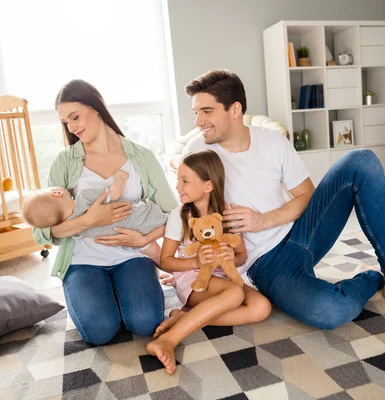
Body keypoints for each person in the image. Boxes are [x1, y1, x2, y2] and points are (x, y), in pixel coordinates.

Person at [182, 69, 385, 331]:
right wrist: (183, 264)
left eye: (206, 111)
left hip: (302, 232)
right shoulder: (196, 152)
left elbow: (306, 195)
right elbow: (191, 220)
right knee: (329, 310)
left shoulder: (272, 141)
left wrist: (263, 220)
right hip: (265, 263)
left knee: (361, 161)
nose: (198, 122)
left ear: (235, 109)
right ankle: (377, 276)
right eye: (196, 112)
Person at [32, 79, 177, 345]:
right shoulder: (65, 162)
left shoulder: (141, 157)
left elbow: (174, 214)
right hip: (82, 261)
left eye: (75, 117)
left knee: (145, 323)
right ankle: (105, 297)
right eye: (66, 122)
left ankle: (121, 294)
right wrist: (88, 220)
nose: (72, 127)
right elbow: (41, 231)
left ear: (96, 107)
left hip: (132, 256)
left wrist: (144, 240)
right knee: (99, 331)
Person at [146, 150, 271, 374]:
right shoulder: (180, 216)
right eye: (178, 180)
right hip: (194, 281)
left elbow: (242, 255)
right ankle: (169, 340)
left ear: (208, 185)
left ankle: (186, 318)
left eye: (185, 181)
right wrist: (195, 260)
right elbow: (166, 261)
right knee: (235, 294)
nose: (178, 186)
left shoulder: (227, 214)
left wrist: (231, 256)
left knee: (262, 307)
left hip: (224, 278)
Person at [22, 168, 168, 262]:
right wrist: (120, 178)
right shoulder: (84, 197)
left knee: (156, 254)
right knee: (176, 226)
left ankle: (177, 274)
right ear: (56, 193)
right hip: (140, 216)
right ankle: (182, 270)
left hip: (128, 238)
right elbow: (114, 194)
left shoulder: (73, 230)